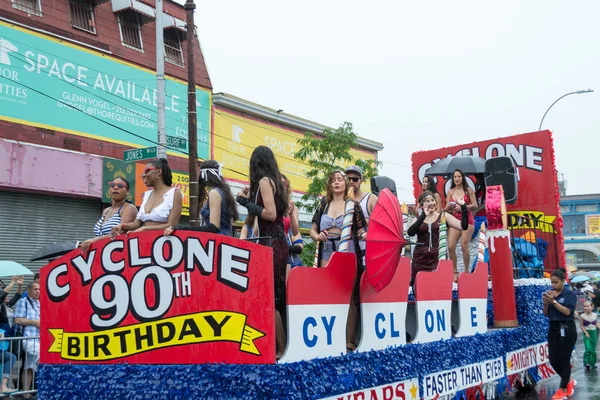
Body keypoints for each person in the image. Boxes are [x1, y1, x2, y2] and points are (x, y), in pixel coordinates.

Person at [236, 146, 288, 358]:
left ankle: (281, 349)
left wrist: (247, 203)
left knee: (272, 298)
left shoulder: (265, 181)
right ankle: (278, 346)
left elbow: (270, 213)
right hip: (275, 240)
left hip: (273, 242)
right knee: (273, 296)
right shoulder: (273, 181)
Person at [310, 170, 367, 352]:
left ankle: (349, 340)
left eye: (340, 180)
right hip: (326, 251)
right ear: (329, 184)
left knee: (348, 294)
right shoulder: (323, 205)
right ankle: (330, 336)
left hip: (347, 251)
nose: (336, 182)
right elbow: (313, 230)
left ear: (346, 184)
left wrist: (367, 234)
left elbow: (360, 230)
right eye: (333, 180)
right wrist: (317, 236)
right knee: (327, 294)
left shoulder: (352, 205)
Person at [407, 191, 469, 285]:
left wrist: (463, 207)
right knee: (420, 286)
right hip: (420, 258)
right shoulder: (417, 219)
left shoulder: (443, 216)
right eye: (427, 201)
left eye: (432, 200)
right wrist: (424, 215)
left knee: (438, 286)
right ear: (422, 205)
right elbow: (410, 233)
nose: (431, 203)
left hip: (438, 257)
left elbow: (463, 226)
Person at [165, 161, 238, 237]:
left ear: (205, 175)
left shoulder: (214, 193)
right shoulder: (224, 192)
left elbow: (214, 227)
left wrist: (182, 227)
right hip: (225, 239)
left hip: (217, 241)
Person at [112, 158, 183, 236]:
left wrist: (145, 229)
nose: (144, 175)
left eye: (147, 171)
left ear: (159, 172)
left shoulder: (174, 193)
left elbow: (172, 225)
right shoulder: (146, 195)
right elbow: (136, 224)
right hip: (144, 241)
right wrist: (122, 226)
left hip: (163, 242)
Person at [543, 269, 577, 400]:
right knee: (553, 359)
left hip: (567, 328)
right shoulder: (551, 294)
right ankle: (568, 380)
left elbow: (568, 312)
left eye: (556, 283)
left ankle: (562, 389)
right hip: (553, 328)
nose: (553, 285)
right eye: (552, 283)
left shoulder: (569, 294)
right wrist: (546, 303)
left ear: (563, 281)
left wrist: (554, 302)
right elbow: (546, 313)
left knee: (564, 359)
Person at [80, 177, 137, 253]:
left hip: (118, 253)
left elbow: (121, 233)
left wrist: (94, 240)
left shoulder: (129, 208)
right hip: (101, 252)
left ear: (127, 191)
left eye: (120, 186)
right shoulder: (106, 211)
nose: (115, 188)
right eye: (112, 185)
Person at [445, 169, 476, 277]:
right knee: (451, 246)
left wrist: (462, 207)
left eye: (459, 176)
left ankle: (466, 271)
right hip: (455, 221)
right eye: (455, 177)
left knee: (464, 245)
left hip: (467, 220)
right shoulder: (450, 192)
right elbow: (446, 209)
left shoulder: (468, 190)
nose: (457, 179)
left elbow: (474, 205)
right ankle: (454, 272)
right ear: (453, 179)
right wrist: (449, 208)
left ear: (462, 178)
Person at [345, 165, 378, 267]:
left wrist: (361, 222)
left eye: (354, 179)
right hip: (344, 248)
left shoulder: (371, 198)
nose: (351, 181)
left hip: (364, 251)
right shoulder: (340, 198)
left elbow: (379, 224)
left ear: (361, 180)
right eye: (348, 178)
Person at [13, 282, 41, 398]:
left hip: (38, 339)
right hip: (27, 338)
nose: (37, 291)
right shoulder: (22, 302)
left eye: (39, 289)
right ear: (28, 290)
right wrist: (34, 322)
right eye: (35, 289)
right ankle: (47, 388)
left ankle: (26, 394)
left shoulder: (39, 303)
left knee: (29, 366)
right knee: (42, 362)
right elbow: (17, 320)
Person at [282, 175, 303, 272]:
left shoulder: (292, 206)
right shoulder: (268, 203)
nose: (281, 186)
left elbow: (295, 232)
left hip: (287, 249)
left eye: (284, 183)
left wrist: (291, 215)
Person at [579, 300, 600, 370]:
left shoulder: (595, 315)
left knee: (593, 349)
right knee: (588, 348)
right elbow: (581, 326)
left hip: (593, 333)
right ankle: (586, 362)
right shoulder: (582, 316)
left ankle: (592, 363)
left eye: (588, 306)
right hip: (587, 333)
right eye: (585, 306)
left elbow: (596, 323)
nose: (586, 308)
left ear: (592, 307)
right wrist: (586, 332)